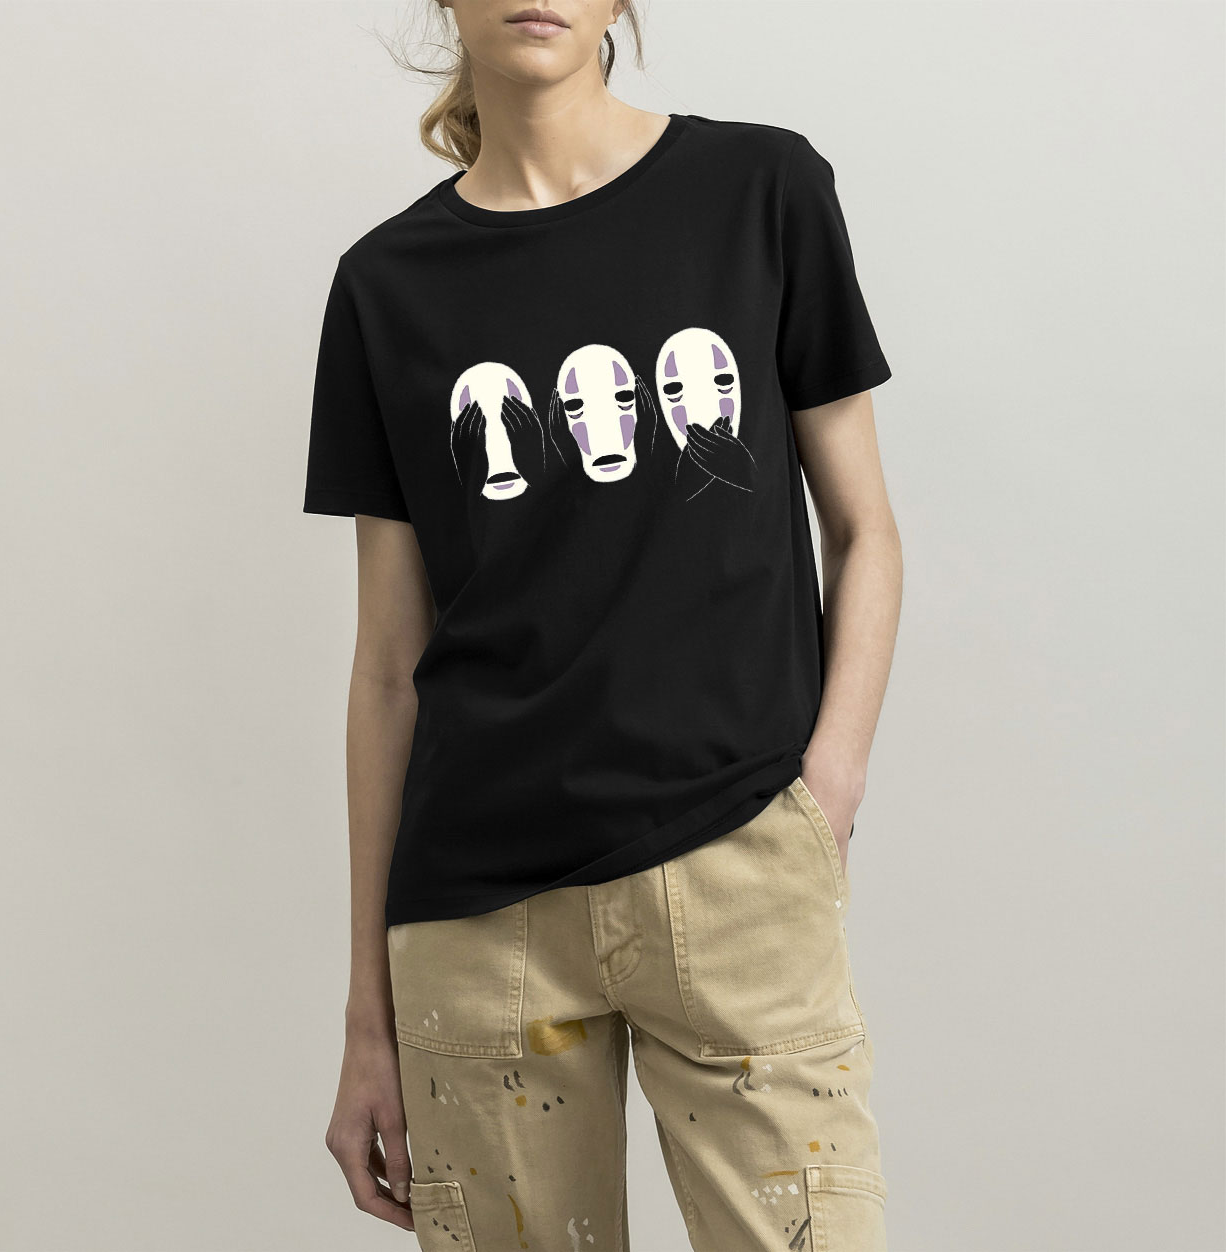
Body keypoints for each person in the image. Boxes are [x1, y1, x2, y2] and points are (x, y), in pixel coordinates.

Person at [304, 2, 902, 1248]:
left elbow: (863, 529)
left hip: (738, 860)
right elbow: (388, 669)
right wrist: (369, 1014)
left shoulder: (760, 190)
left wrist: (824, 791)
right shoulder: (385, 286)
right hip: (476, 919)